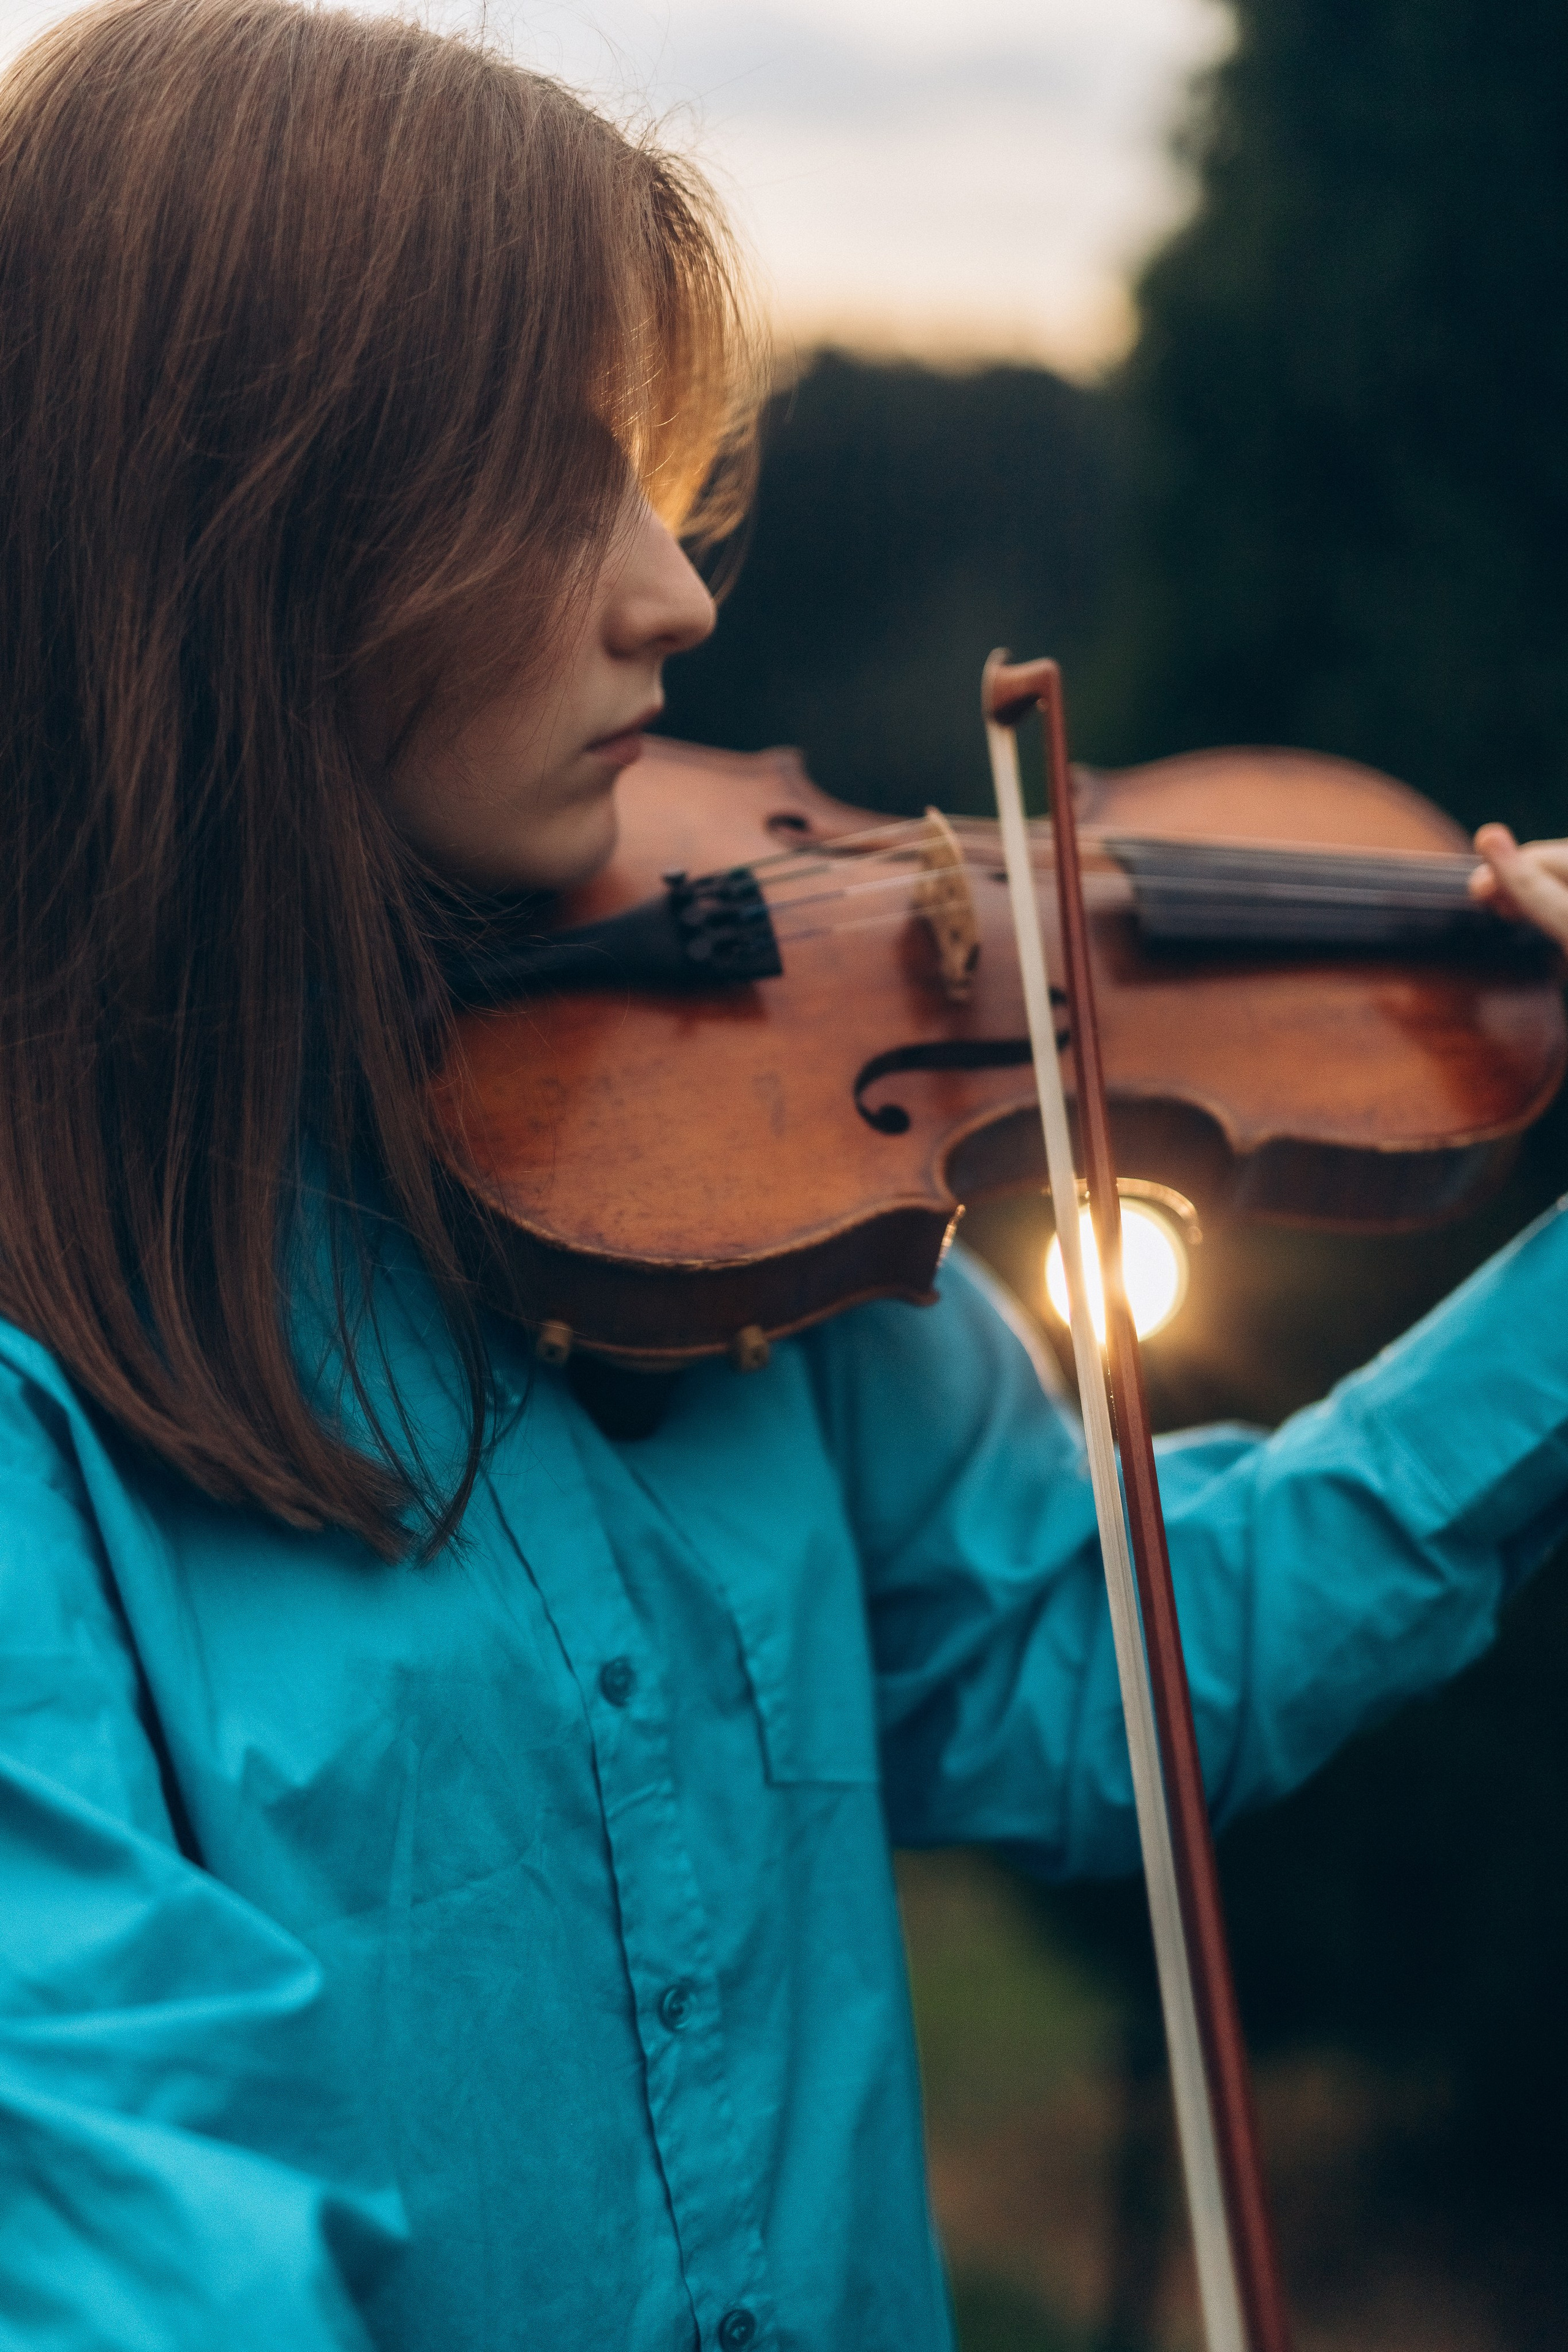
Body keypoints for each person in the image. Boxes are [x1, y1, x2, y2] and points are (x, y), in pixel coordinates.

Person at [4, 4, 1568, 2348]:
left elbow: (1090, 1670)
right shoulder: (46, 1425)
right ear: (244, 543)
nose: (678, 595)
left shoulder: (727, 1179)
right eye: (551, 490)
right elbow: (151, 2242)